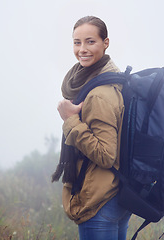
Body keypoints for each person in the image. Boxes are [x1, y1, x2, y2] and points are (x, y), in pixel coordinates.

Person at [52, 16, 131, 240]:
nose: (82, 49)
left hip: (100, 201)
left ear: (105, 43)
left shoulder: (99, 94)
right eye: (77, 42)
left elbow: (106, 155)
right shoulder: (110, 79)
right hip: (115, 194)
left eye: (90, 42)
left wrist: (70, 120)